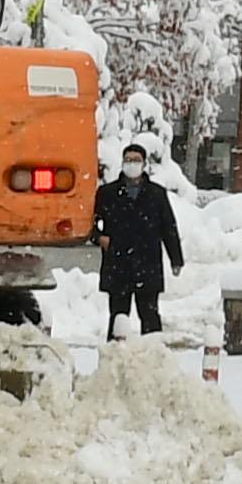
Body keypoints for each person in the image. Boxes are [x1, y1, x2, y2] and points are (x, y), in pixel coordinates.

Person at [91, 145, 183, 340]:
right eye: (128, 160)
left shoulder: (156, 194)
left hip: (147, 263)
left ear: (144, 164)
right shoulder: (108, 193)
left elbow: (168, 227)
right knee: (118, 316)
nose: (132, 164)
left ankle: (154, 356)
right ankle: (114, 357)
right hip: (118, 263)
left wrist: (176, 259)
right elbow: (89, 222)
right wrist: (99, 237)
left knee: (149, 316)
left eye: (136, 160)